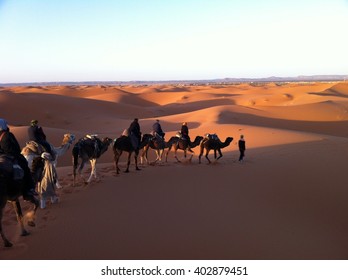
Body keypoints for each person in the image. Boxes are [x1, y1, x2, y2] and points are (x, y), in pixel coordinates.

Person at [0, 118, 37, 200]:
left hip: (1, 157)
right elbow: (16, 147)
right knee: (25, 167)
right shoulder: (8, 135)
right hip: (12, 156)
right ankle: (29, 189)